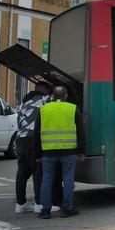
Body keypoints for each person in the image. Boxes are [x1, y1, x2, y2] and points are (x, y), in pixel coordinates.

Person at [35, 85, 84, 218]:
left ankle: (45, 210)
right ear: (66, 96)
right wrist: (81, 151)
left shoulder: (43, 110)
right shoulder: (73, 108)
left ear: (52, 96)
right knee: (68, 179)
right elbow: (80, 131)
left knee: (47, 180)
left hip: (49, 152)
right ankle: (67, 209)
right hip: (69, 151)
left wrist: (38, 153)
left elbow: (37, 133)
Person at [13, 82, 62, 213]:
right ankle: (39, 204)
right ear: (45, 90)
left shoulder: (24, 103)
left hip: (20, 140)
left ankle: (20, 204)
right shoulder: (45, 100)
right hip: (33, 139)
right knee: (38, 172)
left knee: (22, 172)